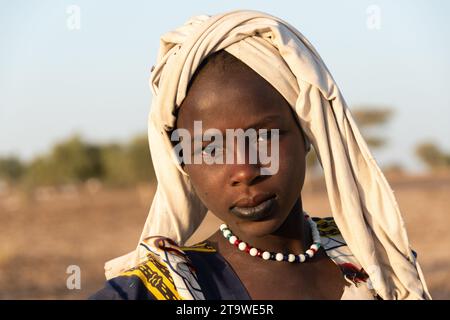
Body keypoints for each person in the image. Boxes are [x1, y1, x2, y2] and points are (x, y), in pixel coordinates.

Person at [89, 10, 431, 300]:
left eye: (264, 137)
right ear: (183, 162)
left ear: (307, 134)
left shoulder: (380, 262)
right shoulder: (149, 291)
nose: (245, 170)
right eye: (210, 148)